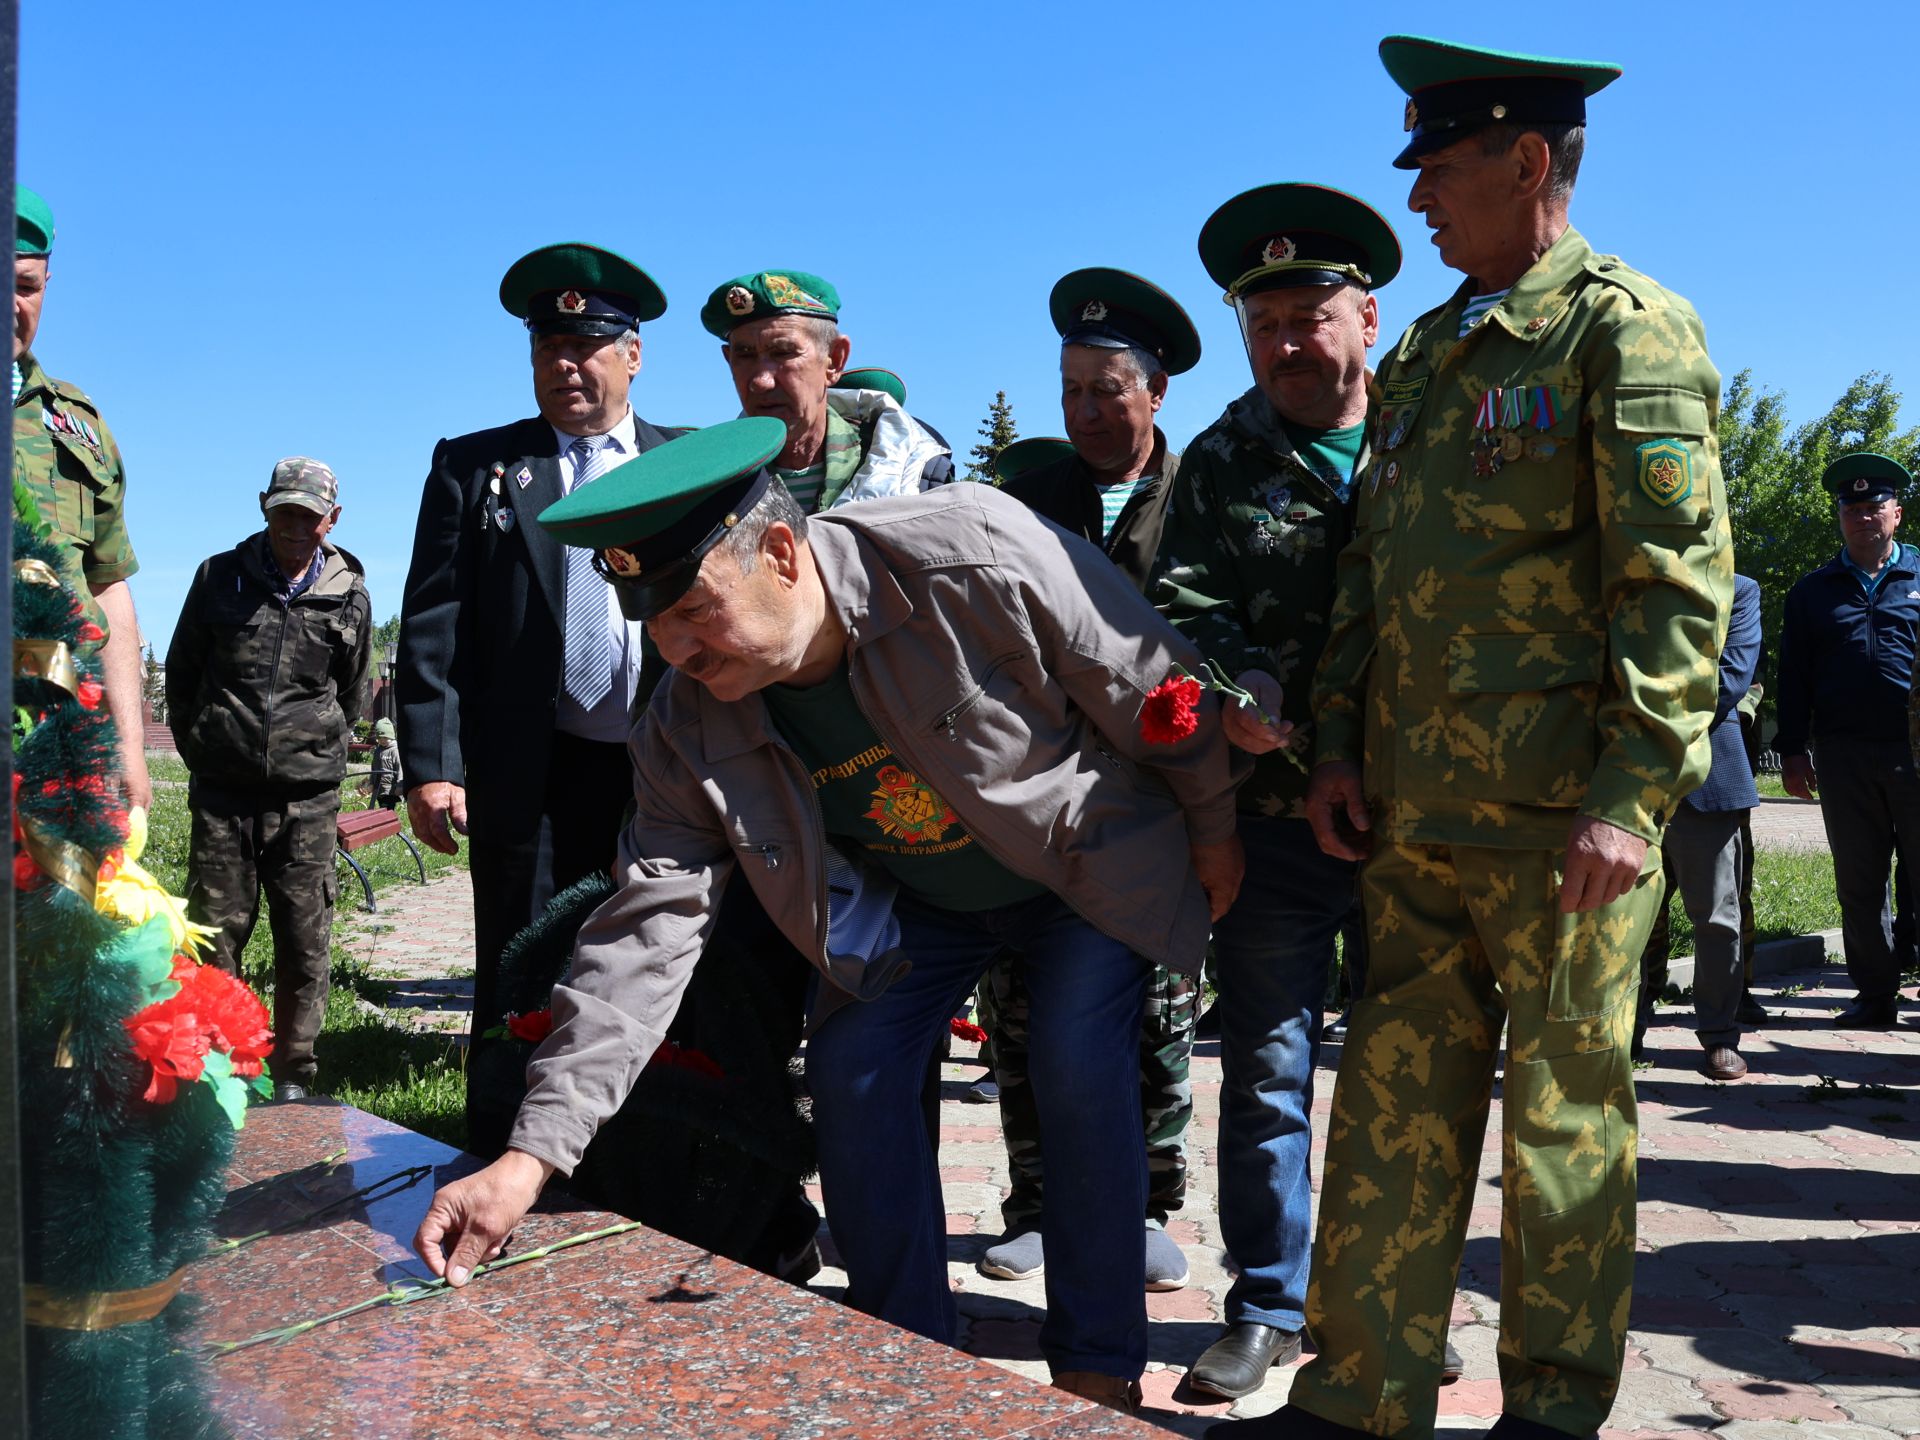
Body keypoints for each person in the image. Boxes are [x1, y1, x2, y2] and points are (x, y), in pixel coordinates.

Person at [413, 417, 1246, 1417]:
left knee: (1076, 1058)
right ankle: (908, 1369)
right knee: (855, 1070)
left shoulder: (970, 555)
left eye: (692, 607)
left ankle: (1098, 1373)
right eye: (651, 621)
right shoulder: (685, 717)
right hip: (919, 903)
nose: (674, 647)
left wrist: (1211, 830)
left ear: (778, 551)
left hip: (1080, 870)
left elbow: (1149, 682)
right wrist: (529, 1157)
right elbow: (645, 936)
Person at [1247, 36, 1735, 1440]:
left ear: (1529, 163)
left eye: (1442, 171)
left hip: (1560, 830)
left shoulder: (1624, 330)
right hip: (1414, 822)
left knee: (1565, 1132)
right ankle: (1358, 1398)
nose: (1418, 204)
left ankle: (1553, 1413)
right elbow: (1371, 578)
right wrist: (1335, 746)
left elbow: (1675, 587)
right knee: (1392, 1121)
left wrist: (1630, 802)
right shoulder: (1429, 351)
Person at [1152, 182, 1400, 1401]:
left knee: (1415, 1073)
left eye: (1310, 316)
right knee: (1266, 1068)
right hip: (1276, 814)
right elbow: (1184, 606)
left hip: (1428, 816)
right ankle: (1267, 1302)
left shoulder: (1437, 428)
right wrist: (1234, 679)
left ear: (1364, 314)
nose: (1289, 345)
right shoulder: (1221, 458)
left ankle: (1387, 1302)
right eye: (1266, 326)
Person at [395, 243, 678, 1061]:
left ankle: (637, 1146)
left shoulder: (680, 465)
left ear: (633, 354)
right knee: (520, 962)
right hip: (530, 770)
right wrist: (432, 766)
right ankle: (498, 1140)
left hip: (655, 770)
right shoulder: (477, 466)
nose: (565, 365)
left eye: (585, 347)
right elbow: (433, 623)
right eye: (547, 347)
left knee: (647, 962)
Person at [980, 267, 1203, 1292]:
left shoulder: (1199, 495)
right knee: (1019, 1003)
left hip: (1158, 800)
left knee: (1154, 1012)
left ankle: (1148, 1204)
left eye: (1107, 390)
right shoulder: (1031, 493)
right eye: (1071, 391)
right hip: (1039, 799)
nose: (1086, 412)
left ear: (1155, 394)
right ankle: (1033, 1203)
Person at [167, 458, 372, 1101]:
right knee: (213, 932)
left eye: (309, 515)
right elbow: (182, 672)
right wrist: (205, 743)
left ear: (330, 519)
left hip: (307, 795)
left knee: (304, 934)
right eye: (285, 510)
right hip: (223, 791)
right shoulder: (217, 577)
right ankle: (215, 1065)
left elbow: (354, 690)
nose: (295, 524)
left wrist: (308, 745)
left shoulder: (350, 593)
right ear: (264, 506)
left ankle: (293, 1071)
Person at [12, 184, 150, 812]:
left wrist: (127, 751)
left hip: (63, 759)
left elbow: (109, 586)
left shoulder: (79, 426)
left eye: (25, 285)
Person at [1777, 452, 1920, 1031]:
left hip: (1915, 754)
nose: (1864, 517)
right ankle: (1875, 997)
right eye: (1852, 508)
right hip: (1842, 756)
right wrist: (1791, 749)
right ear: (1840, 517)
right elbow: (1793, 677)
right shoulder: (1812, 592)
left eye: (1874, 507)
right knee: (1860, 884)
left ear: (1897, 514)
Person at [1633, 575, 1762, 1078]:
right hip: (1629, 776)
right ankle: (1627, 1029)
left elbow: (1731, 676)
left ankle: (1718, 1034)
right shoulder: (1627, 574)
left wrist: (1651, 723)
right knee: (1627, 916)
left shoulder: (1740, 590)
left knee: (1716, 918)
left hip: (1707, 775)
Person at [702, 269, 953, 507]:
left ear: (834, 360)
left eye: (783, 352)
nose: (760, 380)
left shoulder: (912, 477)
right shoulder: (705, 485)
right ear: (728, 359)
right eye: (744, 355)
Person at [369, 717, 403, 810]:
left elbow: (400, 768)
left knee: (387, 809)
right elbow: (373, 768)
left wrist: (400, 785)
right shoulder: (378, 751)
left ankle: (390, 823)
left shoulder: (394, 751)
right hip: (378, 788)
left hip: (391, 789)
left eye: (385, 737)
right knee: (382, 809)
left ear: (391, 736)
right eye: (380, 738)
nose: (382, 740)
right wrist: (371, 782)